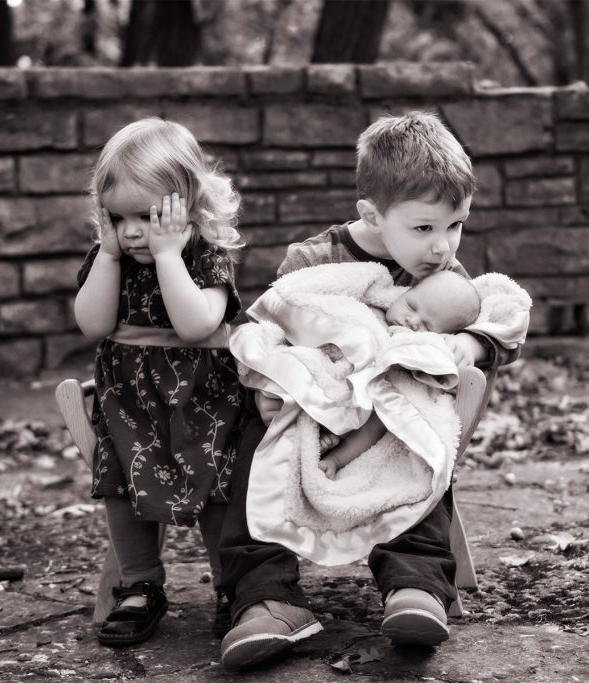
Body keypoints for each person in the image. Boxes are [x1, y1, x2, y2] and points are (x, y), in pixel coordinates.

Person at [218, 111, 522, 670]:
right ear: (371, 215)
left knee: (421, 451)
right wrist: (269, 380)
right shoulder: (312, 260)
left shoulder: (443, 276)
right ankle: (264, 597)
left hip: (392, 417)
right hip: (312, 409)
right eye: (424, 228)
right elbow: (274, 324)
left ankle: (417, 584)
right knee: (253, 451)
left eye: (455, 225)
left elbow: (499, 313)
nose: (441, 247)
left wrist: (471, 345)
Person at [74, 118, 245, 647]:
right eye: (118, 217)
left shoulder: (204, 258)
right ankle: (140, 584)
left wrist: (169, 255)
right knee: (121, 485)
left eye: (147, 216)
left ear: (188, 206)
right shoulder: (112, 259)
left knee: (218, 485)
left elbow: (197, 326)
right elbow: (93, 325)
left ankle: (232, 587)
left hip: (203, 400)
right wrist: (104, 255)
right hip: (130, 400)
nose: (130, 231)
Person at [317, 270, 483, 478]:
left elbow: (439, 370)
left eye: (427, 326)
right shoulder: (368, 308)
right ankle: (326, 431)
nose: (412, 321)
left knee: (382, 420)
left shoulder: (424, 345)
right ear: (403, 293)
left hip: (380, 395)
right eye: (411, 306)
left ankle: (337, 458)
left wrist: (408, 342)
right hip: (339, 386)